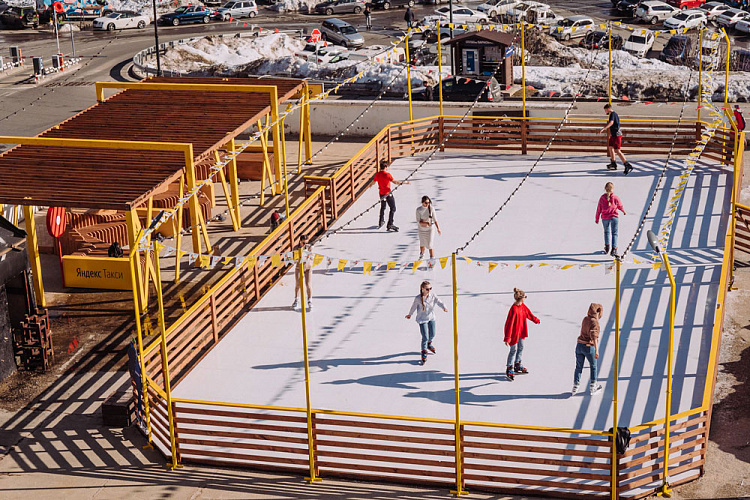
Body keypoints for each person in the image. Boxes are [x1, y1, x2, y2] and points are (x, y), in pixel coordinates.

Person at [406, 280, 448, 365]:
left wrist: (444, 307)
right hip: (422, 319)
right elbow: (413, 307)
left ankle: (429, 343)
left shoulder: (432, 296)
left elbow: (439, 302)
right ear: (422, 289)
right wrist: (410, 314)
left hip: (431, 317)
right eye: (427, 289)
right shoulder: (418, 298)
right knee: (425, 336)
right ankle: (424, 351)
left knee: (432, 334)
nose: (429, 290)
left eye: (430, 288)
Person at [503, 288, 540, 381]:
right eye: (524, 297)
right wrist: (507, 338)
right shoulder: (514, 309)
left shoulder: (523, 306)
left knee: (521, 347)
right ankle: (509, 367)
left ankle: (517, 364)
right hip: (513, 334)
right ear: (521, 298)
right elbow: (509, 324)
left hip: (521, 332)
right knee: (513, 350)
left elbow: (529, 314)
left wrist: (535, 320)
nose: (525, 299)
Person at [572, 303, 604, 396]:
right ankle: (593, 386)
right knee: (593, 366)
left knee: (579, 366)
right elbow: (594, 336)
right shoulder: (595, 323)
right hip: (588, 347)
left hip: (579, 345)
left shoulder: (585, 319)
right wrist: (597, 350)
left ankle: (575, 386)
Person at [373, 159, 409, 232]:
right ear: (385, 167)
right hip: (388, 194)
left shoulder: (377, 174)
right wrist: (404, 182)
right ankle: (390, 223)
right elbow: (395, 182)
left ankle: (381, 221)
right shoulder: (387, 175)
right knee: (393, 208)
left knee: (383, 207)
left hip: (381, 193)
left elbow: (373, 182)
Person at [599, 103, 634, 175]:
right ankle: (613, 162)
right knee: (610, 147)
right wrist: (610, 134)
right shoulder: (612, 114)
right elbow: (613, 126)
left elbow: (611, 123)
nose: (605, 112)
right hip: (613, 135)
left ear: (608, 109)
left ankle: (627, 164)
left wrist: (604, 128)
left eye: (605, 110)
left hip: (617, 135)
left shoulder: (613, 114)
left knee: (617, 150)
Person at [595, 182, 626, 257]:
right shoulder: (615, 197)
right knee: (614, 233)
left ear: (605, 189)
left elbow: (599, 209)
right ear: (613, 189)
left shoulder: (602, 198)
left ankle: (607, 246)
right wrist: (623, 211)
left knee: (606, 232)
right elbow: (619, 205)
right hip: (614, 217)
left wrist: (597, 218)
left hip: (605, 218)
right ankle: (614, 248)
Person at [416, 195, 441, 260]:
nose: (427, 204)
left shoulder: (431, 208)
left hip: (430, 229)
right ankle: (421, 254)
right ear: (422, 202)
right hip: (421, 229)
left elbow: (435, 219)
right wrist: (426, 223)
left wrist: (438, 228)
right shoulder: (418, 210)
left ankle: (432, 258)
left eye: (428, 202)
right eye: (426, 203)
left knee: (430, 244)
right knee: (422, 242)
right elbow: (418, 221)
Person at [292, 234, 312, 311]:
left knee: (308, 284)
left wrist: (307, 253)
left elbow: (311, 257)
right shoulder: (296, 248)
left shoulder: (309, 247)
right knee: (298, 284)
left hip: (307, 268)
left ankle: (310, 300)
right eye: (304, 243)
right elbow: (294, 258)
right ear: (300, 241)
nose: (305, 244)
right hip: (299, 268)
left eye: (306, 243)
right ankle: (296, 299)